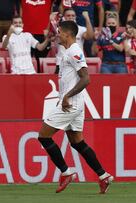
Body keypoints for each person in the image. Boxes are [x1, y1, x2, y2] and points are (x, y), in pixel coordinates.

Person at [38, 20, 113, 194]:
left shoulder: (74, 51)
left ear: (68, 34)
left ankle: (66, 172)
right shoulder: (66, 51)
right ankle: (104, 176)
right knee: (77, 143)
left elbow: (86, 78)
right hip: (74, 103)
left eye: (60, 32)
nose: (58, 34)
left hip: (71, 104)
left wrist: (67, 96)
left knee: (43, 136)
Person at [55, 9, 94, 74]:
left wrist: (87, 18)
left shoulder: (81, 29)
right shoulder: (58, 29)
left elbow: (89, 36)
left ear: (75, 17)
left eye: (73, 15)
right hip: (61, 63)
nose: (71, 17)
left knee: (78, 82)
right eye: (68, 15)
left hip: (77, 62)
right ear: (64, 17)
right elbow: (50, 36)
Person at [20, 0, 54, 73]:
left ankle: (39, 81)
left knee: (41, 63)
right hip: (26, 34)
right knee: (25, 62)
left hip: (43, 34)